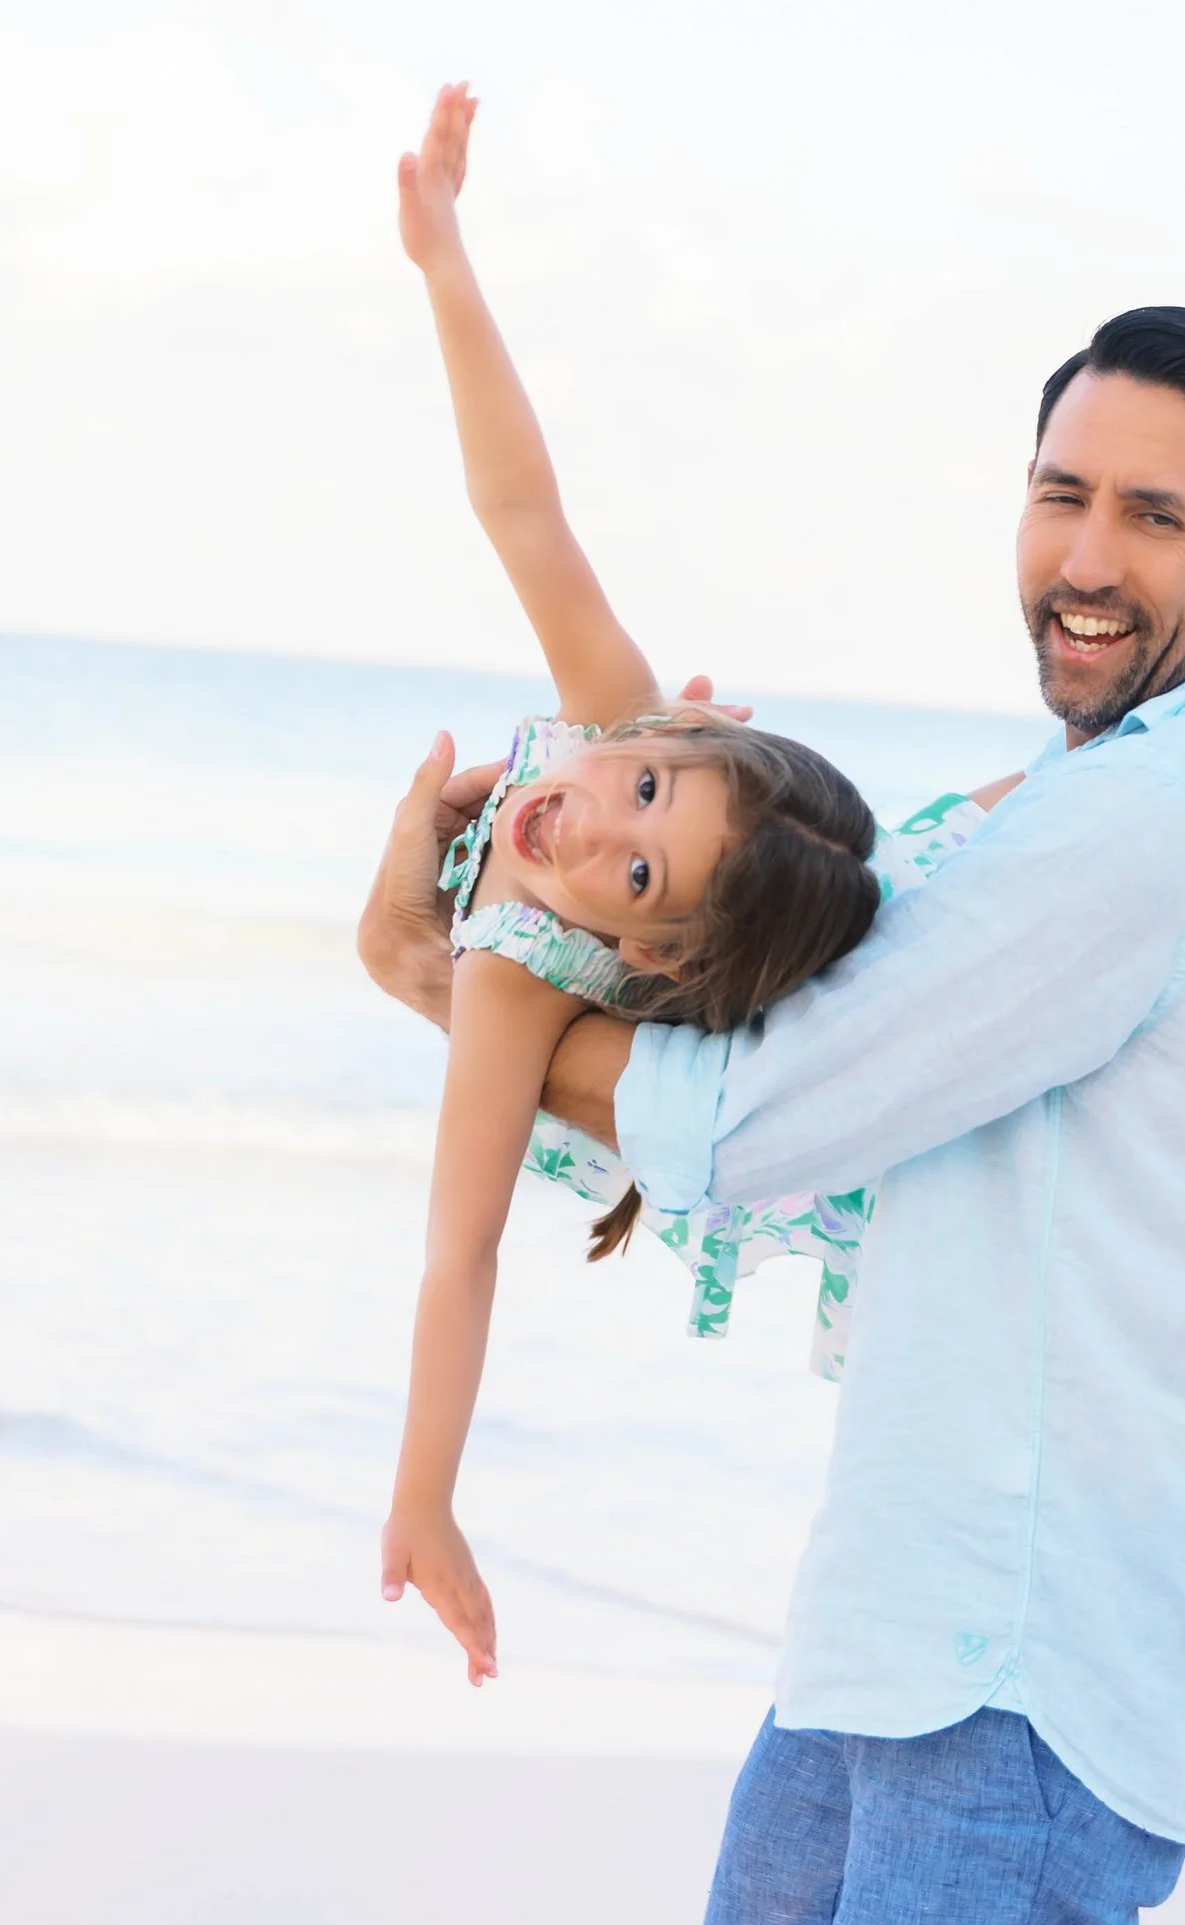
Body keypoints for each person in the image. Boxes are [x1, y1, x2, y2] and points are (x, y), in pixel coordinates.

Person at [360, 289, 1185, 1925]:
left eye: (1155, 516)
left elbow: (750, 1125)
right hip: (911, 1614)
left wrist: (453, 984)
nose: (1086, 557)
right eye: (1064, 496)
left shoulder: (1155, 821)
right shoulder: (1081, 811)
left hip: (1035, 1663)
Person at [381, 83, 907, 1685]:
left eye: (635, 867)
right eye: (652, 787)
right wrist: (446, 260)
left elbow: (460, 1249)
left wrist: (426, 1497)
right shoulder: (611, 717)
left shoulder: (519, 975)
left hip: (743, 1130)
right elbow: (519, 506)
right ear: (672, 728)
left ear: (646, 953)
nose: (590, 818)